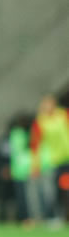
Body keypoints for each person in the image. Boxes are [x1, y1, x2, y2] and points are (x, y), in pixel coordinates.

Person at [31, 94, 69, 225]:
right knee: (52, 191)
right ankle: (55, 217)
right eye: (44, 104)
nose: (46, 106)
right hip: (52, 161)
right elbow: (35, 144)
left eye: (48, 103)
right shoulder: (40, 121)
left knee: (66, 188)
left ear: (54, 104)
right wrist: (35, 165)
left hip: (67, 159)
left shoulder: (64, 115)